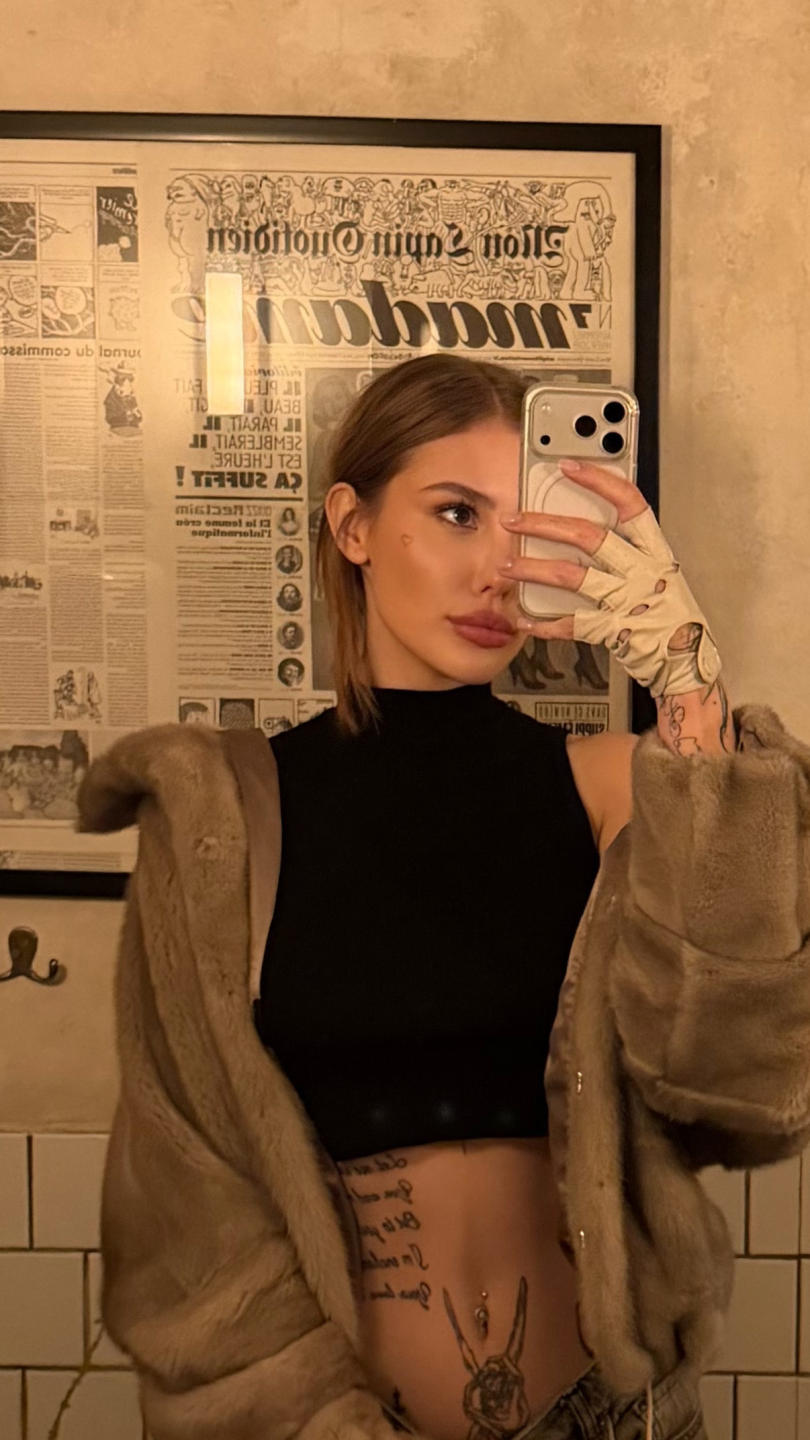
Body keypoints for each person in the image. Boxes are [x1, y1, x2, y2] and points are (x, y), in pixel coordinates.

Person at [76, 355, 810, 1440]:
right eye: (457, 514)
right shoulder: (221, 817)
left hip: (613, 1417)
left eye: (530, 526)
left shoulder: (614, 787)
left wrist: (692, 691)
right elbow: (185, 1200)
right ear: (353, 525)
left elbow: (739, 1095)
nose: (498, 571)